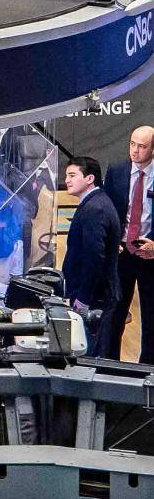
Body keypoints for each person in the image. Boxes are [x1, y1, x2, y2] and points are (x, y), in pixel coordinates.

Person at [62, 156, 122, 356]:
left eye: (72, 175)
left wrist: (83, 300)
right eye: (66, 176)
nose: (67, 180)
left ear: (89, 178)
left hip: (94, 299)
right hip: (94, 296)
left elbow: (94, 259)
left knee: (90, 358)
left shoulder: (95, 208)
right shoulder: (96, 203)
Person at [104, 125, 154, 358]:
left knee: (151, 318)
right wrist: (112, 240)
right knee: (114, 314)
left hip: (149, 253)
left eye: (142, 146)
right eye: (132, 144)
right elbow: (107, 210)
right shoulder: (116, 171)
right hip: (121, 252)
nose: (135, 150)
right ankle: (110, 366)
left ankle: (147, 369)